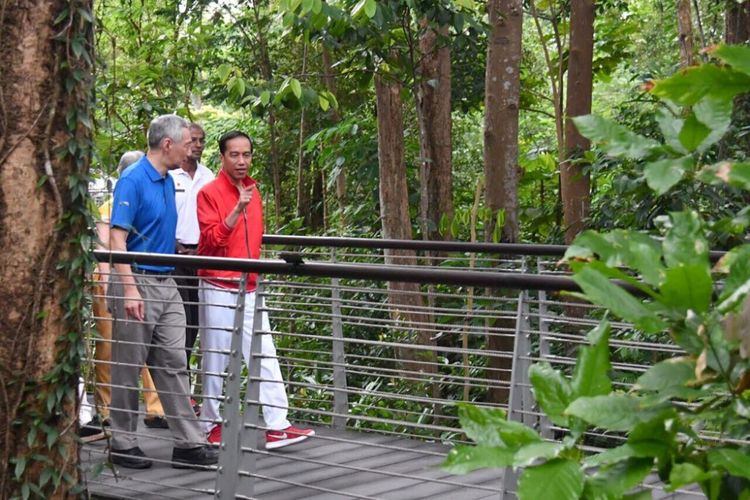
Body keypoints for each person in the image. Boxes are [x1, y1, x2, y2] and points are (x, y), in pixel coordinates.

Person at [108, 114, 218, 469]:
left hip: (166, 280)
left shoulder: (169, 180)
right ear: (167, 144)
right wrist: (129, 290)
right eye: (187, 143)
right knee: (128, 365)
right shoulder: (133, 179)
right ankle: (122, 442)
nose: (191, 150)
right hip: (136, 280)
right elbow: (116, 238)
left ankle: (188, 442)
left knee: (174, 360)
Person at [196, 130, 314, 449]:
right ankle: (209, 423)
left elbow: (253, 239)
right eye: (234, 154)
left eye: (246, 154)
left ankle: (277, 426)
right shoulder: (209, 193)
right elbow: (210, 242)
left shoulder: (253, 189)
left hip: (249, 284)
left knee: (264, 353)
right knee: (217, 358)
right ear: (222, 157)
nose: (241, 161)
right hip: (218, 285)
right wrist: (235, 210)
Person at [86, 151, 170, 436]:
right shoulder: (110, 206)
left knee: (145, 344)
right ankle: (107, 409)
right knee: (109, 345)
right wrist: (107, 284)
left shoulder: (146, 198)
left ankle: (155, 407)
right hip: (112, 278)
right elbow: (103, 246)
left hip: (137, 277)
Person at [169, 124, 214, 391]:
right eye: (192, 140)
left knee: (196, 322)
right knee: (179, 322)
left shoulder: (209, 177)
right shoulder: (169, 175)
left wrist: (204, 248)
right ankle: (178, 392)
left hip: (203, 255)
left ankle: (190, 393)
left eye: (201, 141)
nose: (197, 145)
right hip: (173, 256)